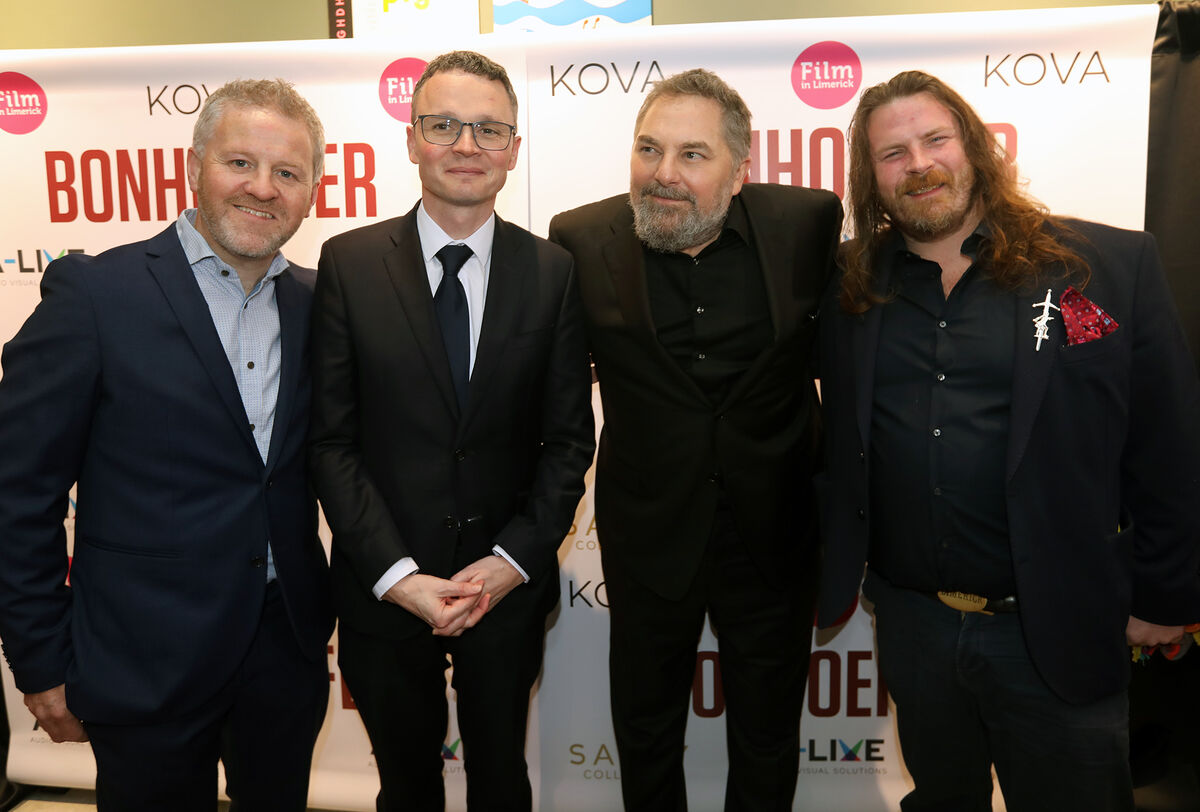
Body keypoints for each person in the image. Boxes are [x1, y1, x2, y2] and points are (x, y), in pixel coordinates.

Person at [817, 69, 1200, 811]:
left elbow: (1170, 444)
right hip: (915, 625)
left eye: (935, 139)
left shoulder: (1108, 267)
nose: (919, 164)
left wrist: (1167, 593)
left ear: (976, 147)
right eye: (892, 153)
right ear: (871, 178)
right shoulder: (849, 288)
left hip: (1057, 624)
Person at [0, 79, 333, 809]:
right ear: (193, 166)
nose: (262, 188)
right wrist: (38, 659)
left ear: (313, 189)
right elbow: (18, 490)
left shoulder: (322, 304)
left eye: (288, 172)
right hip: (141, 656)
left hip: (286, 652)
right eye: (239, 163)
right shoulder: (93, 295)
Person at [548, 69, 843, 812]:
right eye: (649, 149)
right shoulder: (580, 238)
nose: (663, 174)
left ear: (741, 170)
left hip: (774, 532)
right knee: (645, 731)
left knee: (769, 735)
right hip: (648, 533)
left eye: (691, 154)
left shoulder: (809, 224)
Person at [310, 50, 594, 812]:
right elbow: (330, 442)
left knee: (502, 779)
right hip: (383, 589)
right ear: (412, 140)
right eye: (444, 124)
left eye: (489, 129)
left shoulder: (554, 273)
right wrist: (397, 575)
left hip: (503, 589)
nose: (467, 145)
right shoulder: (348, 263)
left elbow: (568, 443)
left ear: (513, 151)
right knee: (406, 787)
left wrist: (510, 561)